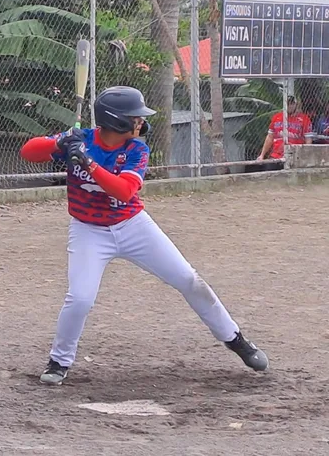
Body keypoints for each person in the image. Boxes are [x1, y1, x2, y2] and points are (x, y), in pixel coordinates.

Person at [19, 86, 269, 386]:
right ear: (117, 122)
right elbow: (28, 151)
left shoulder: (137, 150)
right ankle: (59, 361)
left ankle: (234, 338)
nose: (141, 122)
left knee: (189, 280)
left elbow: (124, 192)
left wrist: (87, 163)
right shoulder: (80, 140)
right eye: (135, 118)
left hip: (133, 226)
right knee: (80, 298)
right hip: (88, 231)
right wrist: (58, 143)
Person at [256, 95, 312, 162]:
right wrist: (262, 155)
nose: (289, 106)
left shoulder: (304, 119)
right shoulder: (277, 117)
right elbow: (270, 137)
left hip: (295, 155)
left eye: (292, 103)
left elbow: (308, 139)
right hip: (276, 155)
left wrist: (305, 155)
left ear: (296, 105)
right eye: (287, 104)